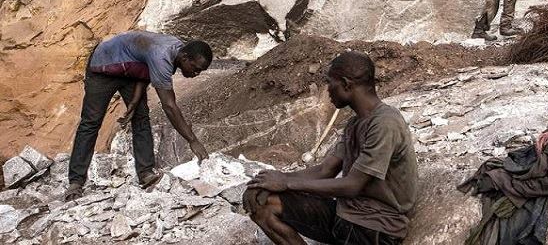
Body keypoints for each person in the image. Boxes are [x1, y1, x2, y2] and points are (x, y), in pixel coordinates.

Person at [243, 51, 417, 245]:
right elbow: (325, 170)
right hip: (347, 216)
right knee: (263, 203)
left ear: (345, 84)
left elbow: (353, 185)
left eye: (329, 83)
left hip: (373, 228)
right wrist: (271, 182)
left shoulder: (385, 123)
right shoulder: (354, 124)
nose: (327, 90)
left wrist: (287, 183)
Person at [65, 30, 213, 201]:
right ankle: (75, 182)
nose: (196, 74)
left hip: (129, 72)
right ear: (185, 58)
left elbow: (144, 67)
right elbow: (169, 106)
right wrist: (192, 140)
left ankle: (145, 173)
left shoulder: (177, 52)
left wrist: (134, 101)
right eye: (195, 69)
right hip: (104, 66)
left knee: (141, 118)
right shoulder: (163, 56)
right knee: (91, 122)